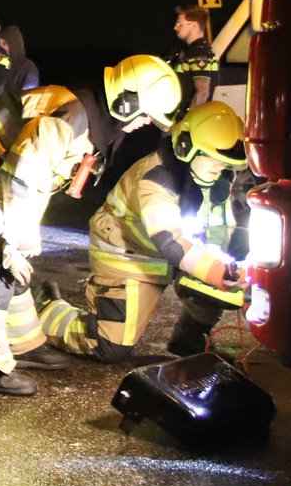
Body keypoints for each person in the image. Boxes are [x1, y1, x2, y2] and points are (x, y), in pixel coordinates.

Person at [0, 54, 183, 395]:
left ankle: (24, 343)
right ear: (127, 102)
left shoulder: (92, 119)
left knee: (15, 262)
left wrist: (21, 243)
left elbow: (32, 178)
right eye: (147, 116)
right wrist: (13, 243)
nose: (147, 125)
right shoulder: (73, 120)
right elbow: (20, 175)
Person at [36, 102, 251, 362]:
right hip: (127, 254)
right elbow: (168, 239)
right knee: (108, 347)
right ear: (187, 147)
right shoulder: (157, 178)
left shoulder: (216, 180)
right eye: (213, 158)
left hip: (173, 254)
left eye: (225, 162)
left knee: (214, 282)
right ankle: (46, 309)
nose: (219, 168)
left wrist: (223, 264)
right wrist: (217, 271)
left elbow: (218, 229)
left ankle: (190, 341)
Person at [168, 5, 218, 113]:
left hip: (187, 120)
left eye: (179, 24)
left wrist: (188, 122)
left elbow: (203, 91)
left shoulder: (199, 52)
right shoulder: (191, 50)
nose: (175, 28)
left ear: (194, 26)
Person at [0, 23, 39, 94]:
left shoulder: (28, 67)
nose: (0, 47)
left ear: (13, 44)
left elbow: (29, 96)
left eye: (4, 43)